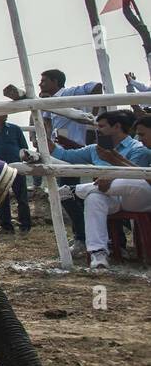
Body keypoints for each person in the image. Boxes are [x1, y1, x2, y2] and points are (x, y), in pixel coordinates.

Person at [5, 69, 102, 245]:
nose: (40, 84)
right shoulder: (48, 101)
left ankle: (83, 236)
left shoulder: (69, 93)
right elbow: (48, 123)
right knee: (65, 193)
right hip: (60, 150)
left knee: (70, 193)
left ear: (55, 81)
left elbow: (96, 86)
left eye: (44, 81)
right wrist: (45, 143)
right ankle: (82, 234)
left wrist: (92, 118)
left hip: (76, 148)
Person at [46, 110, 151, 268]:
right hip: (108, 194)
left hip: (135, 196)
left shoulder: (139, 149)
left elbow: (140, 176)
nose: (98, 130)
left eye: (101, 126)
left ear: (116, 126)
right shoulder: (96, 149)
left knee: (134, 181)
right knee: (94, 199)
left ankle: (78, 190)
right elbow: (67, 156)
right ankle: (98, 254)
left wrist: (112, 167)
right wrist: (49, 144)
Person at [0, 112, 32, 234]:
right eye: (1, 112)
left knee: (22, 198)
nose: (5, 114)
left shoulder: (15, 129)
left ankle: (25, 225)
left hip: (16, 167)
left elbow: (23, 147)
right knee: (1, 198)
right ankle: (6, 226)